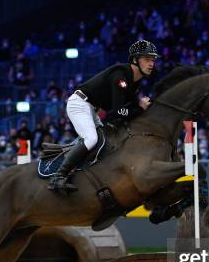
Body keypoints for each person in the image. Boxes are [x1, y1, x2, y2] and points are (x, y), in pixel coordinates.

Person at [47, 40, 158, 194]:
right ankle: (59, 176)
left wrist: (142, 108)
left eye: (153, 60)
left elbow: (125, 112)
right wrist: (140, 108)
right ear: (134, 60)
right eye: (147, 59)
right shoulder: (121, 76)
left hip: (91, 109)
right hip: (79, 103)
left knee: (106, 141)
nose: (151, 64)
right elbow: (118, 112)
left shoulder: (135, 82)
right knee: (91, 139)